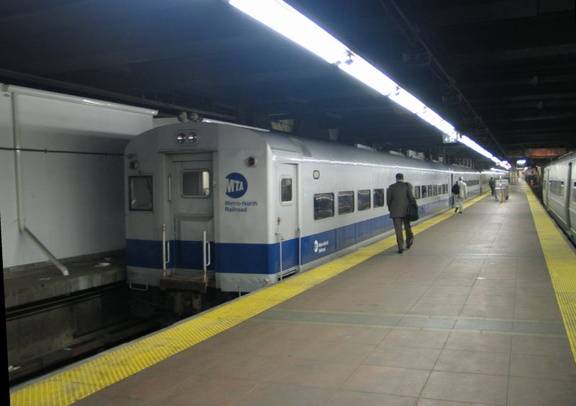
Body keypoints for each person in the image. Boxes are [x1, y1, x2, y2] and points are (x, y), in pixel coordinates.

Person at [386, 173, 416, 254]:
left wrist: (391, 209)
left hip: (395, 212)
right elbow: (411, 197)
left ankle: (400, 248)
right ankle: (409, 242)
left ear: (396, 179)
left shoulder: (391, 187)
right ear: (403, 178)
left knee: (398, 230)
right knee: (407, 228)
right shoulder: (407, 186)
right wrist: (414, 207)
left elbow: (388, 200)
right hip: (406, 212)